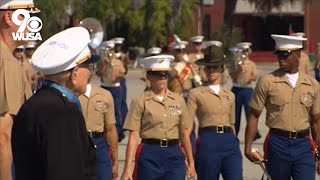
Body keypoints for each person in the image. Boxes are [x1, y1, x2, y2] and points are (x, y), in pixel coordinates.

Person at [12, 27, 97, 180]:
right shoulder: (63, 112)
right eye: (88, 67)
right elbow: (65, 171)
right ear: (75, 74)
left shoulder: (32, 104)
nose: (90, 73)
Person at [245, 34, 320, 179]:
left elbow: (316, 121)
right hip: (278, 143)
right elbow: (254, 115)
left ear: (298, 55)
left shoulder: (312, 85)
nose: (280, 59)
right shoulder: (267, 82)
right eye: (278, 54)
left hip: (303, 145)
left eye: (285, 55)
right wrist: (248, 147)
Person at [121, 55, 195, 180]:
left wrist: (191, 162)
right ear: (148, 76)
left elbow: (184, 134)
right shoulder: (140, 101)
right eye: (158, 75)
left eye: (165, 75)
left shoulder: (179, 100)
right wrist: (127, 169)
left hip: (174, 155)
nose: (162, 78)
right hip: (150, 154)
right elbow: (133, 136)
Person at [187, 45, 242, 180]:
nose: (211, 70)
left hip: (229, 142)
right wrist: (189, 158)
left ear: (222, 69)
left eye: (215, 67)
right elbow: (186, 128)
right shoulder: (196, 93)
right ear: (204, 69)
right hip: (208, 140)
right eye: (208, 67)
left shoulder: (230, 95)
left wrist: (235, 143)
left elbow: (232, 124)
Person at [0, 1, 36, 179]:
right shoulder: (6, 62)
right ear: (8, 17)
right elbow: (3, 136)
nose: (32, 23)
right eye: (27, 16)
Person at [79, 78, 119, 180]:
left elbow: (110, 129)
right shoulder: (69, 94)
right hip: (77, 142)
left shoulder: (104, 95)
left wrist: (115, 160)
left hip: (99, 144)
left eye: (91, 66)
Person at [97, 39, 127, 142]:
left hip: (115, 87)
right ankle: (104, 131)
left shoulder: (118, 61)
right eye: (107, 50)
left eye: (111, 49)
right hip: (105, 86)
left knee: (116, 110)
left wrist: (117, 77)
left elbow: (123, 73)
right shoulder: (101, 62)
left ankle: (118, 132)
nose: (110, 52)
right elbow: (98, 74)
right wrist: (104, 64)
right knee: (102, 109)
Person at [230, 42, 260, 139]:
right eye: (242, 51)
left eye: (246, 51)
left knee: (250, 113)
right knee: (235, 114)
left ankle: (253, 133)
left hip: (247, 89)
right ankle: (234, 134)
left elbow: (255, 76)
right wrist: (238, 69)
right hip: (237, 88)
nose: (244, 53)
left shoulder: (252, 64)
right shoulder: (235, 63)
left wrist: (249, 77)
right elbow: (232, 76)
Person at [112, 37, 129, 133]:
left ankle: (124, 122)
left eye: (119, 45)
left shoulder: (124, 55)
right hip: (112, 81)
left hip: (121, 79)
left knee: (123, 101)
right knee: (115, 103)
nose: (118, 47)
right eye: (116, 45)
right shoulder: (111, 55)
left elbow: (126, 69)